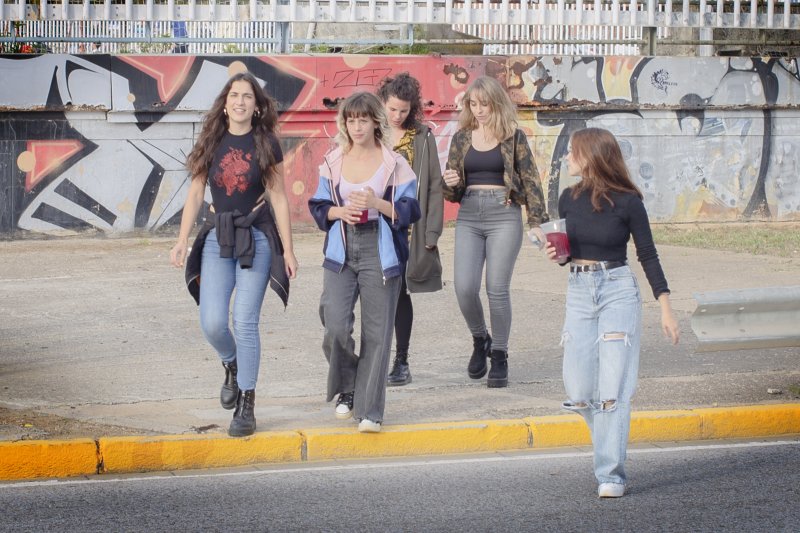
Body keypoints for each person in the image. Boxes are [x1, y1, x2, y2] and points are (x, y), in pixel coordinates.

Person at [547, 127, 679, 498]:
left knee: (613, 389)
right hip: (579, 290)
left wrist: (665, 308)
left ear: (592, 156)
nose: (567, 157)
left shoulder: (628, 201)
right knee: (579, 389)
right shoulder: (568, 198)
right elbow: (568, 252)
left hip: (617, 291)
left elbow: (647, 254)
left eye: (573, 151)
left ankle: (611, 474)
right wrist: (558, 254)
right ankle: (609, 439)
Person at [169, 72, 298, 437]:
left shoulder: (266, 143)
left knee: (244, 320)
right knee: (212, 322)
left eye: (247, 96)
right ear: (225, 104)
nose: (240, 101)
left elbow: (278, 197)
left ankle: (246, 402)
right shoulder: (212, 139)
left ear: (256, 106)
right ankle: (232, 363)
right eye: (234, 95)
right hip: (217, 237)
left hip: (256, 237)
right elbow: (196, 193)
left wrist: (288, 249)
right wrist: (181, 240)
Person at [308, 92, 420, 433]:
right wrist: (338, 211)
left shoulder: (395, 163)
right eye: (351, 120)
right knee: (334, 324)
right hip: (341, 246)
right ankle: (350, 385)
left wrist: (377, 203)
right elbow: (318, 205)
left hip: (380, 248)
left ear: (375, 122)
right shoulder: (332, 161)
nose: (357, 126)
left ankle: (370, 410)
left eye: (363, 119)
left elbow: (410, 210)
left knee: (377, 333)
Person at [442, 75, 548, 388]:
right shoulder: (461, 137)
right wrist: (449, 183)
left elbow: (531, 180)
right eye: (473, 104)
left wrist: (537, 222)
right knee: (464, 287)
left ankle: (500, 354)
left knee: (496, 288)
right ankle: (481, 339)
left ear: (496, 103)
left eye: (484, 104)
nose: (478, 110)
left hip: (504, 213)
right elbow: (452, 192)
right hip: (469, 214)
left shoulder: (513, 136)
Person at [376, 72, 444, 387]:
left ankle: (401, 360)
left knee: (400, 292)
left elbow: (433, 186)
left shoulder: (422, 137)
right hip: (373, 224)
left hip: (405, 228)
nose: (397, 115)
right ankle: (373, 358)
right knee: (373, 293)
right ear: (382, 103)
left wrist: (431, 233)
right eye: (392, 108)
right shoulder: (370, 130)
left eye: (403, 110)